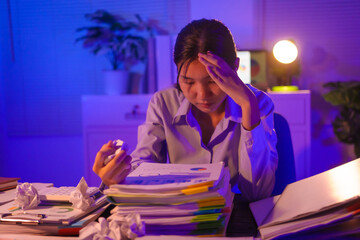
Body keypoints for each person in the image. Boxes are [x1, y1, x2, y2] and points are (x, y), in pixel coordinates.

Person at [93, 19, 278, 202]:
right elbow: (143, 164)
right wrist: (118, 177)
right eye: (188, 82)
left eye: (214, 80)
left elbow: (257, 194)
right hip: (180, 213)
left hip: (232, 216)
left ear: (235, 68)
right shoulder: (164, 103)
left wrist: (248, 106)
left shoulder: (257, 103)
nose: (202, 94)